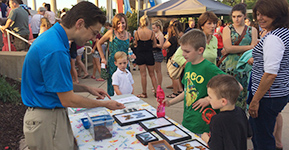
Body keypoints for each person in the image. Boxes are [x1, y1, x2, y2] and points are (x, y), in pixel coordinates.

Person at [21, 2, 125, 149]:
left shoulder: (54, 38)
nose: (93, 39)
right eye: (94, 32)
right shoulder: (55, 49)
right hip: (47, 118)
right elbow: (68, 99)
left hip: (48, 115)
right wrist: (105, 105)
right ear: (80, 24)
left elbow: (57, 85)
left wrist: (87, 88)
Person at [163, 29, 225, 135]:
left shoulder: (209, 68)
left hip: (204, 125)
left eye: (187, 51)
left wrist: (209, 99)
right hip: (188, 121)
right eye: (182, 50)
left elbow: (235, 86)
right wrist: (170, 102)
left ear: (200, 50)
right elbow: (187, 91)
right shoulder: (188, 66)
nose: (183, 54)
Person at [248, 0, 289, 149]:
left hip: (267, 96)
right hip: (279, 92)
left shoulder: (274, 38)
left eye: (265, 14)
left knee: (262, 138)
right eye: (258, 14)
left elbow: (271, 74)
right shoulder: (284, 33)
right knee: (264, 132)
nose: (260, 18)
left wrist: (255, 101)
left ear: (277, 14)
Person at [220, 3, 258, 108]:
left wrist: (234, 49)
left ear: (245, 15)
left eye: (239, 16)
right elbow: (228, 48)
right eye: (234, 16)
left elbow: (254, 50)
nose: (236, 19)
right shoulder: (227, 29)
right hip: (229, 66)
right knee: (228, 95)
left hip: (246, 67)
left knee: (244, 96)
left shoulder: (252, 30)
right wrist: (249, 47)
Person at [201, 74, 252, 150]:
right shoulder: (241, 111)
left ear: (223, 101)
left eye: (210, 97)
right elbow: (249, 135)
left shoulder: (217, 120)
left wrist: (205, 137)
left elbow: (215, 147)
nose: (209, 100)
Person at [97, 13, 131, 96]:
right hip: (113, 64)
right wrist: (103, 58)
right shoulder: (111, 33)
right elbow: (99, 43)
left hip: (124, 64)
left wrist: (131, 55)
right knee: (113, 86)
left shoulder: (128, 34)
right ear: (115, 24)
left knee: (125, 84)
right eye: (118, 23)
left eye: (123, 23)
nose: (121, 25)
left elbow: (127, 49)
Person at [134, 15, 158, 98]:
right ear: (148, 23)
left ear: (140, 23)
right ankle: (157, 92)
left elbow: (136, 44)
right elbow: (154, 45)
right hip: (149, 54)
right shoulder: (152, 33)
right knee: (152, 74)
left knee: (143, 75)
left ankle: (144, 93)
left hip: (140, 54)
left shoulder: (137, 33)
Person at [163, 24, 181, 98]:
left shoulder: (172, 39)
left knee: (173, 75)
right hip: (178, 58)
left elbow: (164, 46)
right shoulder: (178, 38)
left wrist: (167, 38)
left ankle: (175, 92)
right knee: (177, 75)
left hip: (172, 58)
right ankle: (180, 89)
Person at [152, 20, 164, 87]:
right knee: (155, 70)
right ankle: (156, 84)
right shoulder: (155, 34)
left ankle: (159, 85)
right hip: (154, 52)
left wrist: (155, 44)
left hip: (158, 53)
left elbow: (161, 45)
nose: (153, 29)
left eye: (154, 28)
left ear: (158, 27)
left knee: (158, 70)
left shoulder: (160, 35)